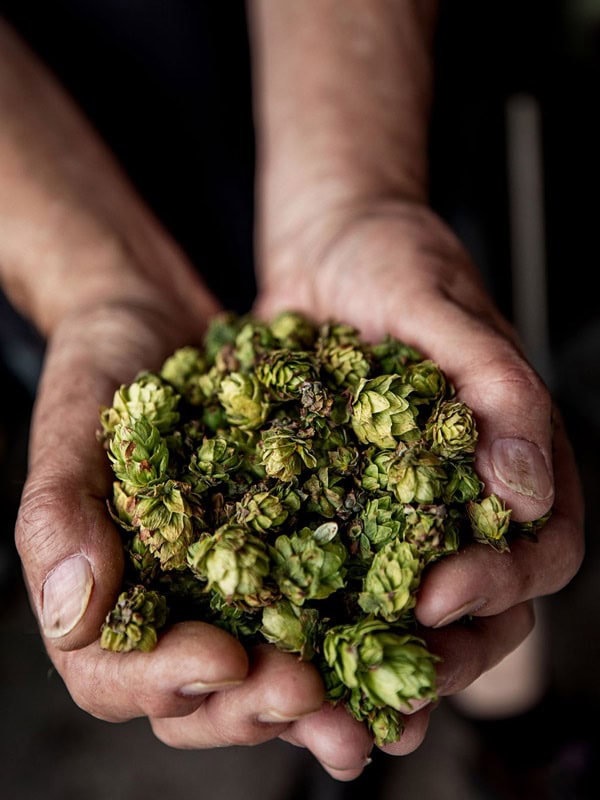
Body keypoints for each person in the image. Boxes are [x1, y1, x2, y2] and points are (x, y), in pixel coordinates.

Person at [0, 0, 584, 784]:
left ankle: (514, 729)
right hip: (55, 153)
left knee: (495, 553)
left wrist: (357, 193)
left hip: (366, 92)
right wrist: (93, 286)